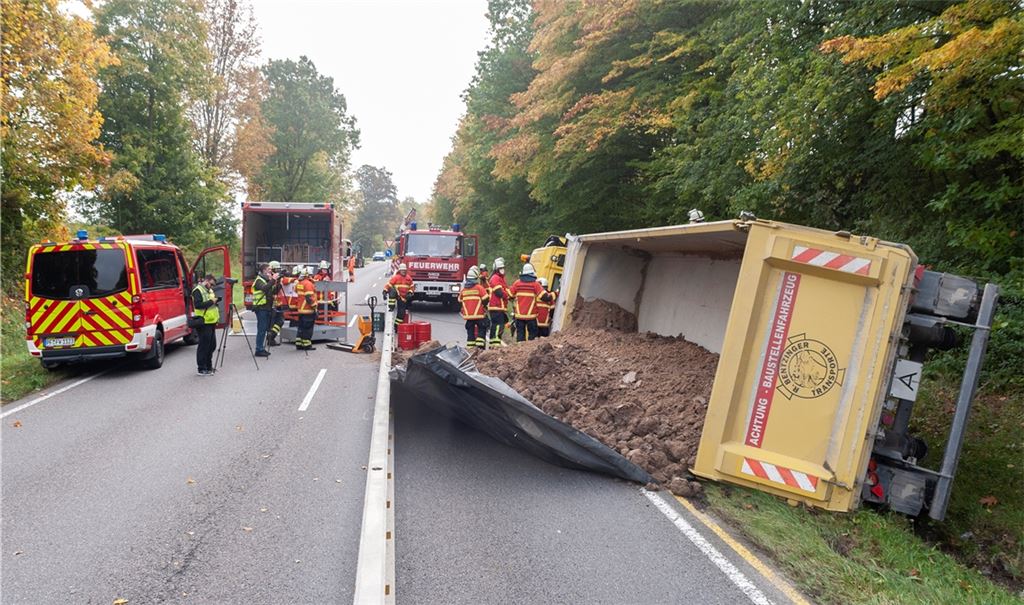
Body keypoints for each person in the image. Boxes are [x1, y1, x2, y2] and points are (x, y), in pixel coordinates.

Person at [192, 274, 220, 375]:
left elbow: (211, 304)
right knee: (204, 346)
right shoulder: (197, 290)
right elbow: (198, 305)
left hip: (211, 321)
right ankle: (201, 368)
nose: (212, 287)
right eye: (211, 284)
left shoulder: (210, 290)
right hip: (203, 321)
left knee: (212, 345)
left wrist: (215, 302)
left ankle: (209, 366)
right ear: (207, 281)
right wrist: (211, 302)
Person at [509, 263, 544, 342]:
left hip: (519, 316)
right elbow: (544, 296)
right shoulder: (535, 284)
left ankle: (520, 352)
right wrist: (554, 294)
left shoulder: (517, 283)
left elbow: (510, 295)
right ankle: (530, 351)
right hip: (531, 316)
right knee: (532, 337)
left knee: (520, 336)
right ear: (532, 273)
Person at [251, 263, 278, 357]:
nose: (271, 271)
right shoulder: (259, 280)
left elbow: (273, 291)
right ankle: (259, 349)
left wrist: (277, 283)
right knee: (261, 329)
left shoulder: (267, 280)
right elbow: (264, 288)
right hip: (261, 308)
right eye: (269, 269)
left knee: (265, 328)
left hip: (267, 308)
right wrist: (273, 280)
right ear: (264, 270)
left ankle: (261, 348)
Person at [458, 265, 489, 348]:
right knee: (482, 330)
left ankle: (471, 349)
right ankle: (480, 349)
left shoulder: (464, 290)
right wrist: (484, 306)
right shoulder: (479, 288)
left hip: (469, 317)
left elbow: (459, 300)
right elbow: (486, 298)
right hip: (479, 315)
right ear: (476, 278)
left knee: (470, 334)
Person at [487, 257, 509, 346]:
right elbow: (499, 292)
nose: (502, 270)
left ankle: (496, 343)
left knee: (500, 326)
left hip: (500, 307)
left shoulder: (501, 279)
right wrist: (508, 295)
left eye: (503, 268)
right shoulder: (495, 278)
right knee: (497, 326)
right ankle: (495, 345)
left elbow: (506, 289)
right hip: (496, 306)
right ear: (496, 269)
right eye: (500, 268)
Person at [294, 266, 317, 351]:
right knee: (307, 328)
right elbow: (309, 298)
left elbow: (296, 290)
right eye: (311, 274)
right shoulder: (308, 284)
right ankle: (307, 345)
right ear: (307, 275)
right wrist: (315, 307)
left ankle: (299, 344)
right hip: (308, 310)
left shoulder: (299, 283)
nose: (312, 276)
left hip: (301, 309)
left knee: (301, 327)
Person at [267, 260, 287, 346]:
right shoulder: (270, 278)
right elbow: (273, 290)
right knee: (276, 321)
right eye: (277, 269)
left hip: (277, 303)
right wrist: (277, 280)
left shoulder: (276, 278)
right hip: (272, 304)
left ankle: (271, 336)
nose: (278, 271)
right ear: (272, 270)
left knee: (280, 321)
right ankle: (271, 337)